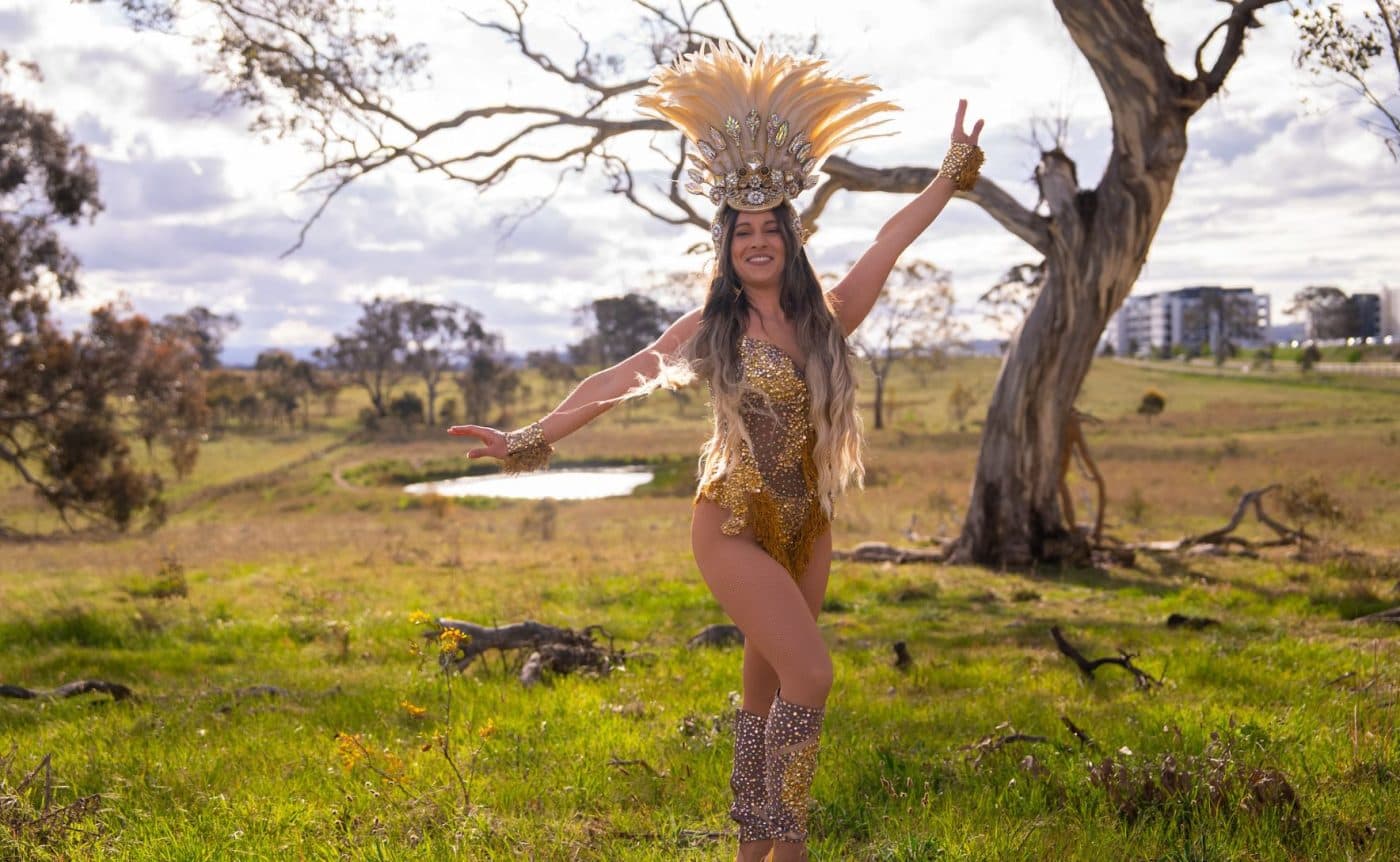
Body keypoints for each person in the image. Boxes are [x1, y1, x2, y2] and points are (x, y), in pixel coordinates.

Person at [449, 42, 983, 862]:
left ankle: (749, 851)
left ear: (791, 239)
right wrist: (527, 438)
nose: (759, 242)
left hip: (808, 525)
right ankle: (789, 844)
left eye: (773, 229)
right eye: (746, 232)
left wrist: (950, 173)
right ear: (728, 244)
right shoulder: (712, 329)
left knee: (766, 688)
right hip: (732, 522)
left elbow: (888, 240)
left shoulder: (828, 316)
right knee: (813, 678)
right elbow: (614, 379)